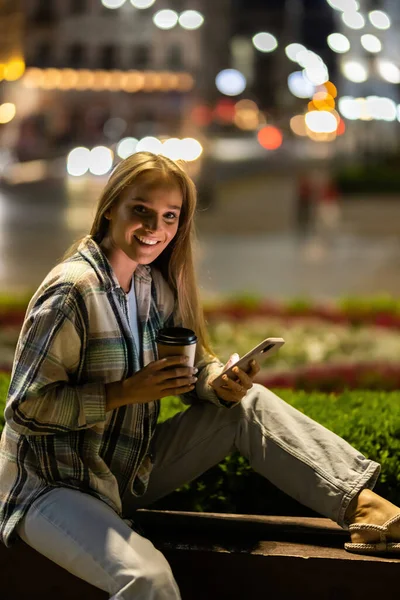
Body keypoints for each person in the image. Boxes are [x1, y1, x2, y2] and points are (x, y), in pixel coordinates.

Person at [0, 152, 399, 599]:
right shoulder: (72, 290)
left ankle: (366, 508)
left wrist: (217, 381)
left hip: (121, 473)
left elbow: (194, 365)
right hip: (53, 485)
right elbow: (24, 408)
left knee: (244, 405)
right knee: (147, 579)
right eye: (141, 211)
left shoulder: (152, 285)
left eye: (169, 216)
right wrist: (122, 393)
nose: (155, 229)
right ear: (110, 205)